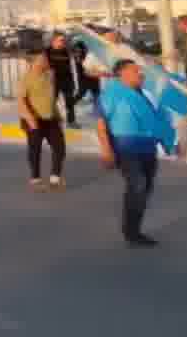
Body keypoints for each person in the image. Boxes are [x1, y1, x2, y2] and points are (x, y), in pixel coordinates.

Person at [97, 59, 164, 247]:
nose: (140, 74)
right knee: (138, 185)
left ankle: (133, 228)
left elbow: (155, 120)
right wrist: (106, 150)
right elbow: (101, 124)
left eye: (140, 71)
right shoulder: (111, 94)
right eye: (135, 71)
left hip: (147, 148)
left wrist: (167, 140)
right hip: (125, 148)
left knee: (145, 189)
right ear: (122, 74)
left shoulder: (144, 95)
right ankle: (132, 233)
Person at [16, 52, 65, 189]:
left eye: (45, 59)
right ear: (33, 62)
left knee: (60, 147)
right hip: (33, 118)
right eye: (42, 60)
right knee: (35, 150)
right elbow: (21, 101)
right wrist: (30, 119)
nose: (45, 61)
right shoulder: (26, 79)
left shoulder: (49, 76)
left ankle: (55, 178)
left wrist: (58, 115)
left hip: (51, 118)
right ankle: (35, 178)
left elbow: (50, 99)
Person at [46, 34, 81, 127]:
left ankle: (71, 121)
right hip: (53, 80)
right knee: (51, 102)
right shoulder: (47, 51)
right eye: (60, 40)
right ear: (53, 41)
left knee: (69, 102)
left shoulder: (66, 51)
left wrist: (73, 81)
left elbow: (74, 62)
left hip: (67, 80)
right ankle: (50, 120)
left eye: (63, 40)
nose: (63, 42)